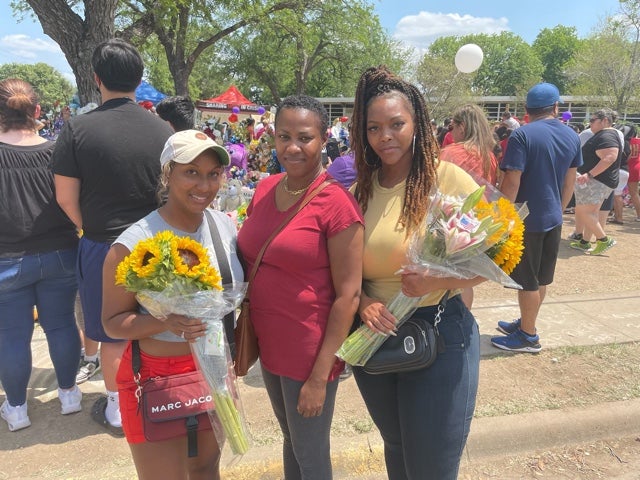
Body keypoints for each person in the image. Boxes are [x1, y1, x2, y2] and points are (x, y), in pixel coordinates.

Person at [349, 65, 483, 480]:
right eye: (374, 127)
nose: (384, 136)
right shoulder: (361, 190)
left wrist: (436, 281)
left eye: (396, 124)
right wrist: (363, 301)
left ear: (417, 123)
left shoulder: (448, 180)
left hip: (438, 335)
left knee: (430, 467)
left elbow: (492, 262)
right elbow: (343, 271)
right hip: (374, 339)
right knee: (398, 453)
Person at [237, 94, 364, 480]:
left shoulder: (336, 204)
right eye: (283, 136)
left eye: (305, 138)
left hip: (308, 351)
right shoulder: (265, 188)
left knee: (311, 456)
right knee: (291, 442)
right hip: (270, 343)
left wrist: (319, 375)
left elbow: (349, 295)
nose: (292, 147)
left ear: (324, 139)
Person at [52, 38, 174, 435]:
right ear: (139, 80)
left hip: (103, 245)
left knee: (110, 331)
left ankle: (118, 407)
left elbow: (65, 197)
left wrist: (89, 227)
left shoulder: (77, 128)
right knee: (156, 320)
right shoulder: (163, 130)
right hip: (156, 244)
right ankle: (159, 392)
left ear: (96, 78)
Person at [101, 130, 237, 479]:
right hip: (153, 377)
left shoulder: (224, 227)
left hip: (213, 370)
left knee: (207, 469)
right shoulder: (134, 244)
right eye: (191, 172)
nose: (204, 185)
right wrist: (167, 321)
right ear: (167, 174)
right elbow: (113, 322)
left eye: (212, 174)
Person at [0, 79, 81, 431]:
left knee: (12, 336)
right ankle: (69, 395)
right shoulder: (56, 151)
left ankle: (17, 409)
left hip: (7, 258)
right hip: (61, 251)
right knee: (62, 324)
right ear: (37, 111)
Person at [491, 82, 582, 353]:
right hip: (553, 216)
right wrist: (559, 208)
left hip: (527, 221)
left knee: (527, 281)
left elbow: (512, 182)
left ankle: (528, 336)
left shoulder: (522, 136)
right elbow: (570, 181)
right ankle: (527, 323)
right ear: (556, 107)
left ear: (526, 110)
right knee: (541, 279)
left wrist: (503, 217)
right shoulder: (572, 136)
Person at [439, 103, 500, 309]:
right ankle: (464, 317)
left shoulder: (450, 153)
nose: (451, 132)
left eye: (452, 127)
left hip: (448, 222)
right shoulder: (489, 157)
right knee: (464, 280)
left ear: (462, 126)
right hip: (475, 224)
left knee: (442, 278)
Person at [568, 108, 621, 255]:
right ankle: (585, 242)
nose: (589, 123)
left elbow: (610, 157)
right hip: (600, 181)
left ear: (604, 121)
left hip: (597, 181)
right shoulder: (606, 134)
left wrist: (589, 174)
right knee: (591, 212)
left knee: (583, 211)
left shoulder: (607, 135)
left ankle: (603, 239)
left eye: (592, 120)